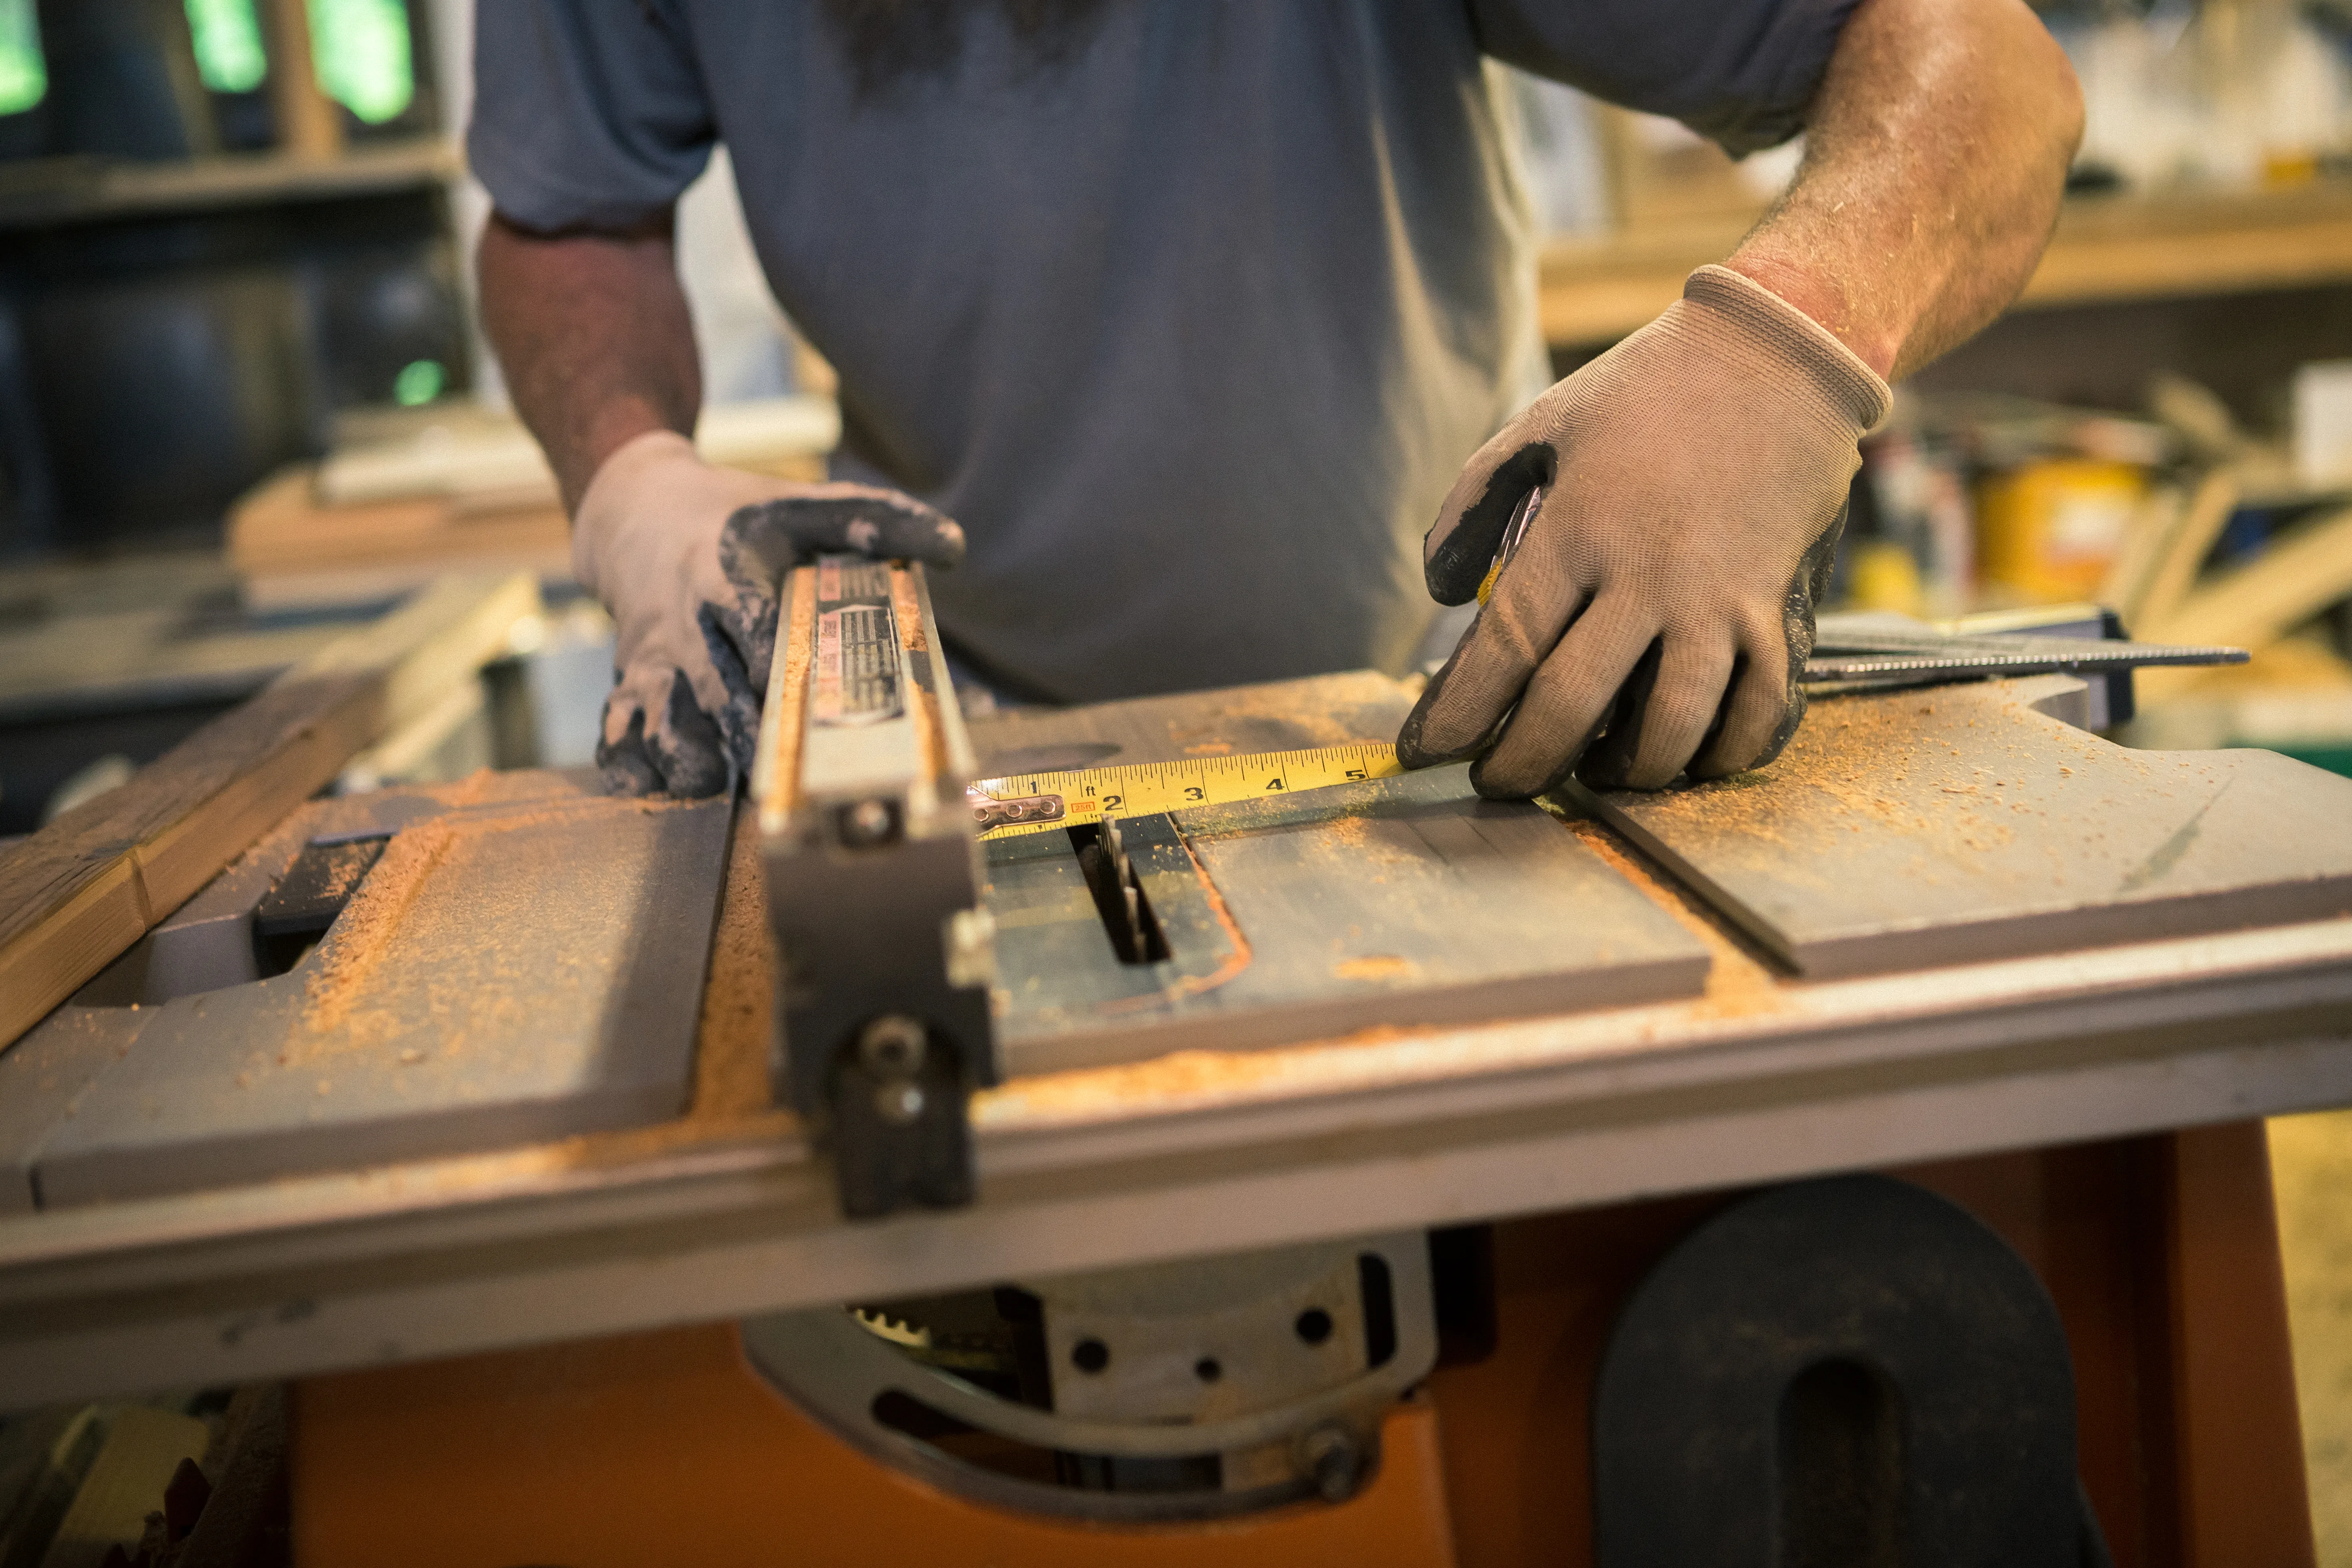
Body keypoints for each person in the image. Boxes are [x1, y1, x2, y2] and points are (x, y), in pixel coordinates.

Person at [472, 0, 2081, 799]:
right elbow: (568, 212)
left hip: (1443, 712)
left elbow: (1980, 66)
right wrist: (633, 480)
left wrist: (1780, 350)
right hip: (954, 744)